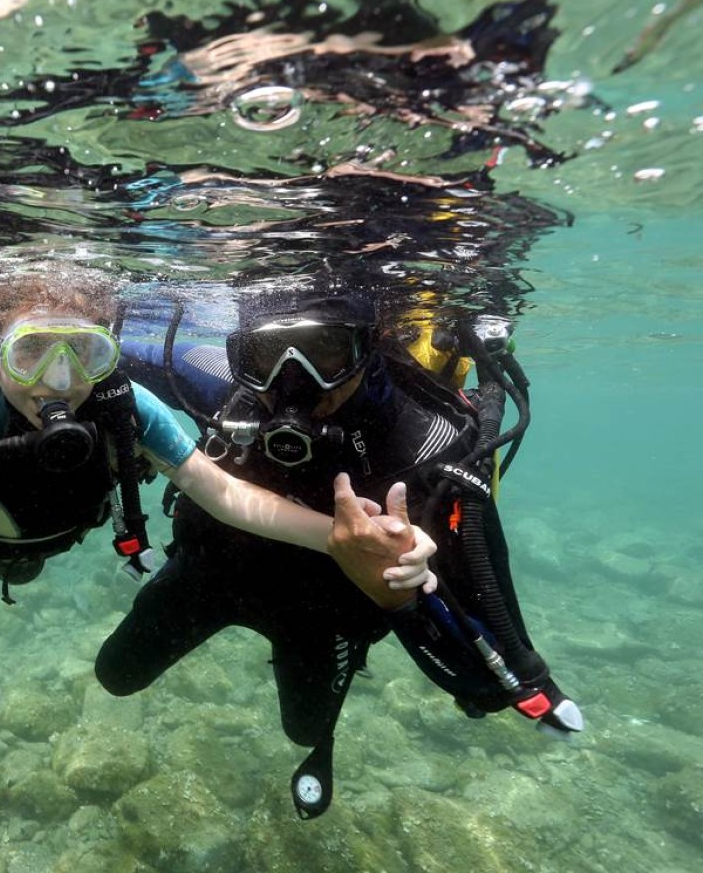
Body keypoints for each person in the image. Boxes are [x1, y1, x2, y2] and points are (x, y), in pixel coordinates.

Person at [0, 269, 438, 825]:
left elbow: (219, 492)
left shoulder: (127, 406)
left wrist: (343, 541)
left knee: (282, 716)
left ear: (110, 355)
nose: (60, 381)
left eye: (85, 355)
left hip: (46, 535)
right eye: (32, 352)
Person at [95, 290, 582, 820]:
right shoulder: (226, 388)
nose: (291, 381)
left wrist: (398, 595)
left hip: (324, 617)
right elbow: (111, 352)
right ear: (239, 356)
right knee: (115, 676)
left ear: (370, 347)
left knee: (303, 729)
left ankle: (322, 731)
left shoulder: (432, 447)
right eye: (263, 357)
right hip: (208, 574)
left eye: (326, 352)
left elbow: (492, 682)